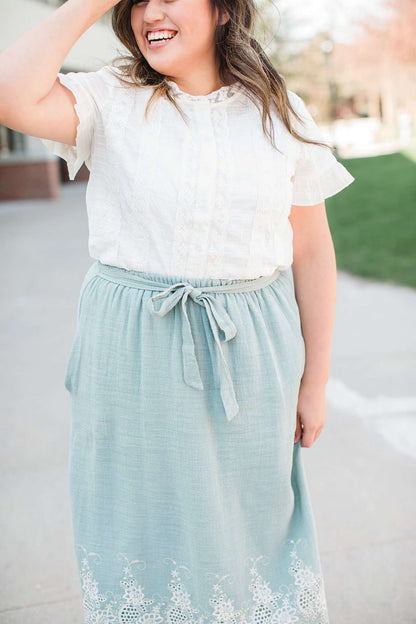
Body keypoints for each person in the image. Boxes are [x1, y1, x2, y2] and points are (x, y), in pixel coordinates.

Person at [0, 0, 355, 621]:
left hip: (252, 347)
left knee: (252, 528)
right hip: (131, 344)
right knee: (139, 524)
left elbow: (311, 250)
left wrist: (315, 380)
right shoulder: (109, 97)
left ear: (223, 10)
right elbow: (10, 95)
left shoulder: (280, 113)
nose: (150, 12)